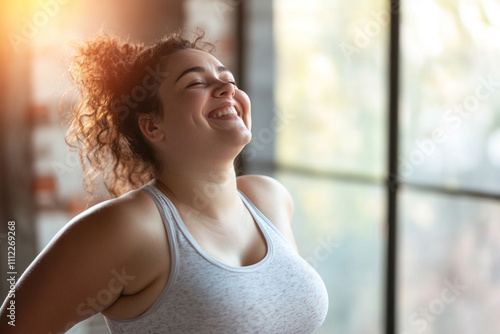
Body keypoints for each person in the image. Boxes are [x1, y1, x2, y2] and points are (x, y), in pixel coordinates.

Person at [0, 31, 328, 333]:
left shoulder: (269, 198)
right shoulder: (128, 226)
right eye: (196, 83)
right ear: (153, 127)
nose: (227, 88)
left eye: (227, 79)